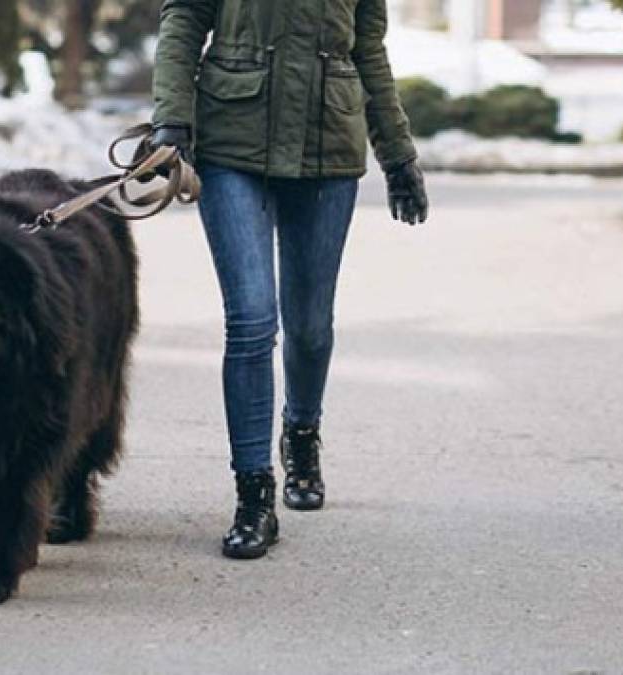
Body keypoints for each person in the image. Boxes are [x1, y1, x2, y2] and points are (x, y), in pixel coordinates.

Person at [150, 0, 429, 559]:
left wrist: (398, 157)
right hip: (231, 143)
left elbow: (368, 49)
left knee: (309, 326)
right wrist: (171, 119)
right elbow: (183, 19)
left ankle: (301, 432)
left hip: (328, 147)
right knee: (252, 319)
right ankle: (254, 495)